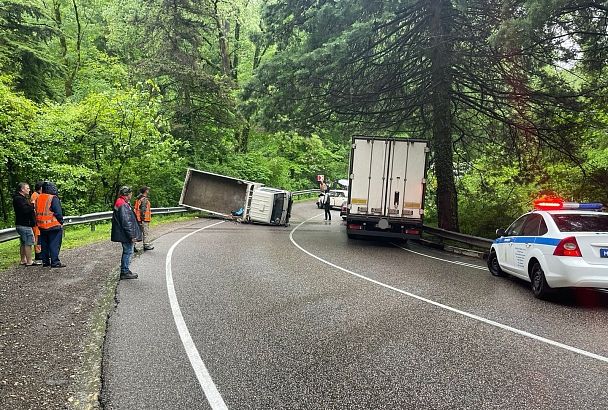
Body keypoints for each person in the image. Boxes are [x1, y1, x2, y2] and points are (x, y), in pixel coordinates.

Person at [111, 186, 142, 280]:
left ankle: (126, 270)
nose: (131, 194)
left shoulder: (120, 202)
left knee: (127, 251)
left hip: (122, 232)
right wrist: (132, 235)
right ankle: (124, 271)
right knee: (128, 251)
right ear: (127, 194)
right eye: (130, 193)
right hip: (124, 233)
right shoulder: (123, 204)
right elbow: (126, 222)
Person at [35, 181, 65, 268]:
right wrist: (61, 222)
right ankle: (55, 262)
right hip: (53, 225)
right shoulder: (53, 198)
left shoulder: (38, 197)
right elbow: (58, 212)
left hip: (41, 225)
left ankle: (45, 262)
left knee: (45, 244)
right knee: (54, 244)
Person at [12, 182, 40, 266]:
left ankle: (23, 260)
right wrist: (33, 205)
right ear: (22, 189)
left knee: (23, 243)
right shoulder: (19, 199)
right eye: (27, 188)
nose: (29, 190)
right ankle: (29, 261)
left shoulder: (20, 198)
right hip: (24, 224)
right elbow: (25, 210)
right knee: (28, 242)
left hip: (22, 224)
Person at [134, 186, 154, 251]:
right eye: (147, 190)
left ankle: (133, 246)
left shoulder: (139, 198)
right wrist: (142, 219)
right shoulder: (144, 199)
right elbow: (143, 210)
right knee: (145, 232)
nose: (148, 191)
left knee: (137, 232)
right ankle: (146, 245)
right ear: (146, 191)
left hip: (138, 218)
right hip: (144, 219)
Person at [30, 181, 43, 262]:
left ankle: (40, 253)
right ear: (40, 188)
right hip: (36, 221)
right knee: (37, 237)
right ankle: (38, 254)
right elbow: (34, 208)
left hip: (37, 220)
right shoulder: (35, 196)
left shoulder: (36, 195)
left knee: (38, 237)